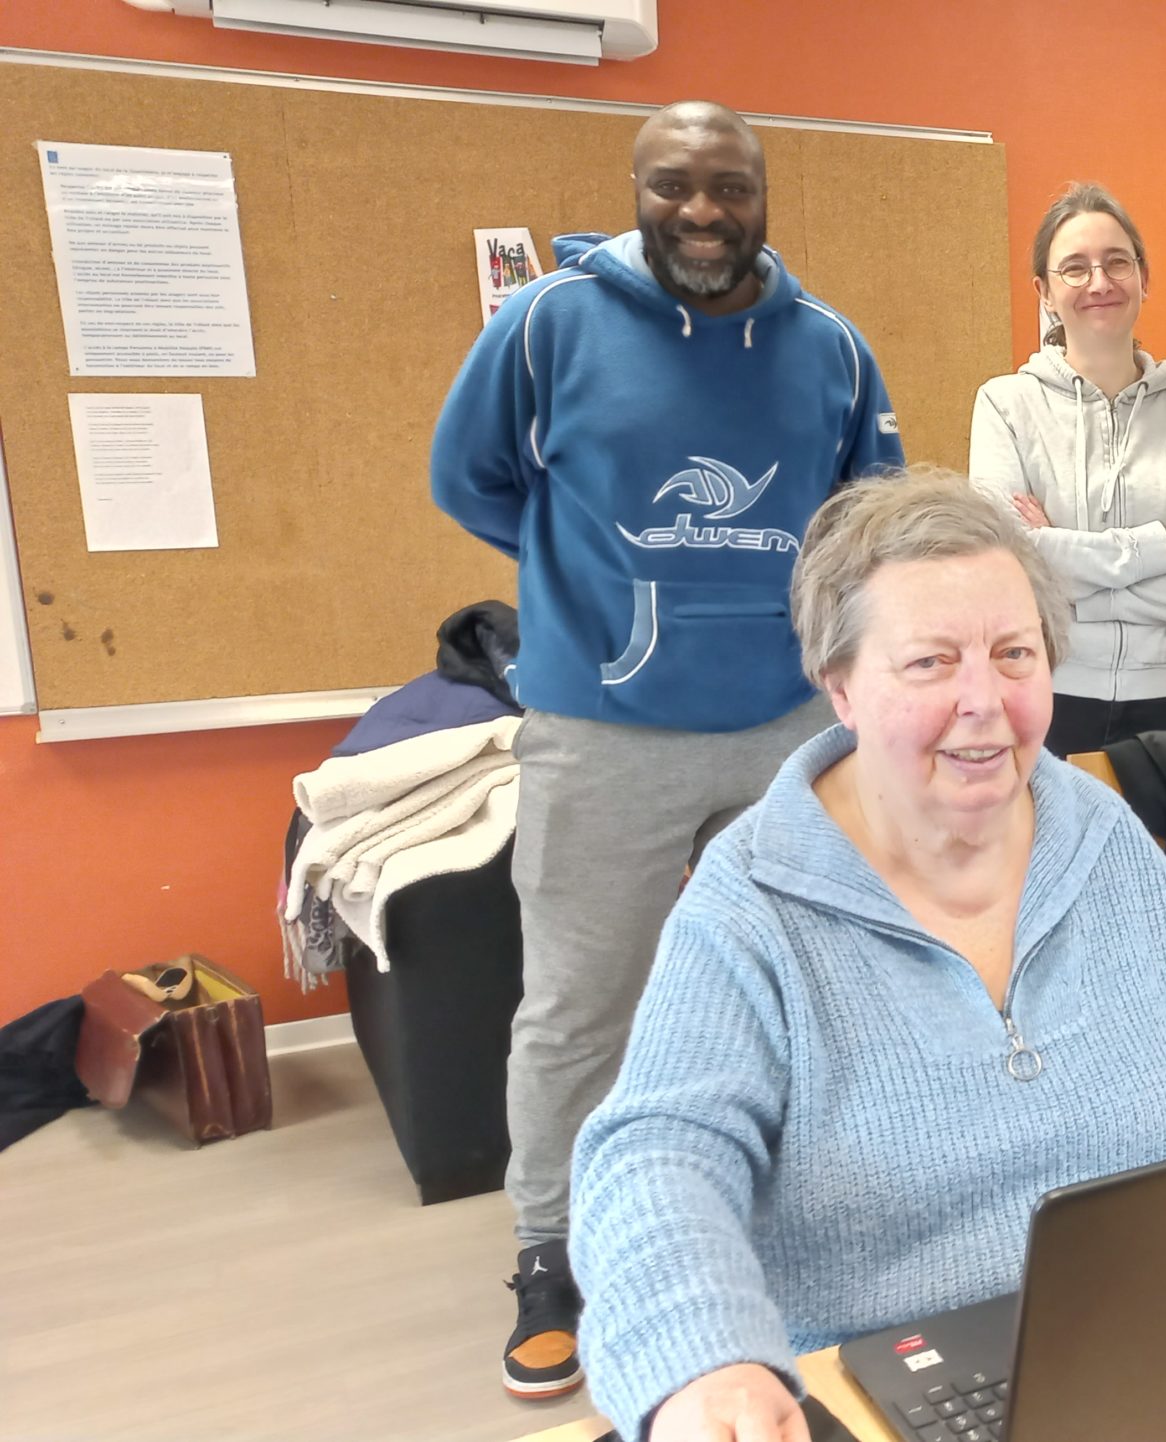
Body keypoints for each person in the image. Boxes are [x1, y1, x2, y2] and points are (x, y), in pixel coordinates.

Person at [567, 471, 1166, 1442]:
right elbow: (654, 1153)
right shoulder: (753, 902)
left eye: (1014, 654)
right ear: (841, 684)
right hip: (882, 1393)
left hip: (1145, 1350)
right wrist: (701, 1357)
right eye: (931, 662)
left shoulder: (1099, 831)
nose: (984, 700)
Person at [428, 100, 902, 1401]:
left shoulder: (833, 352)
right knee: (582, 1001)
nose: (703, 210)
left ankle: (788, 1211)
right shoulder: (545, 328)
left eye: (729, 187)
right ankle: (554, 1249)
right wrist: (598, 595)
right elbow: (466, 481)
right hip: (601, 730)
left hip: (787, 724)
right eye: (676, 185)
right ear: (640, 189)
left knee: (814, 977)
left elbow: (869, 519)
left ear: (764, 193)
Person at [971, 182, 1166, 754]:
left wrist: (1077, 581)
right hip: (1052, 694)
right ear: (1044, 291)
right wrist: (1160, 550)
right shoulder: (1005, 405)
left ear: (1144, 278)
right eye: (1074, 268)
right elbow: (1008, 566)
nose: (1098, 282)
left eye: (1116, 262)